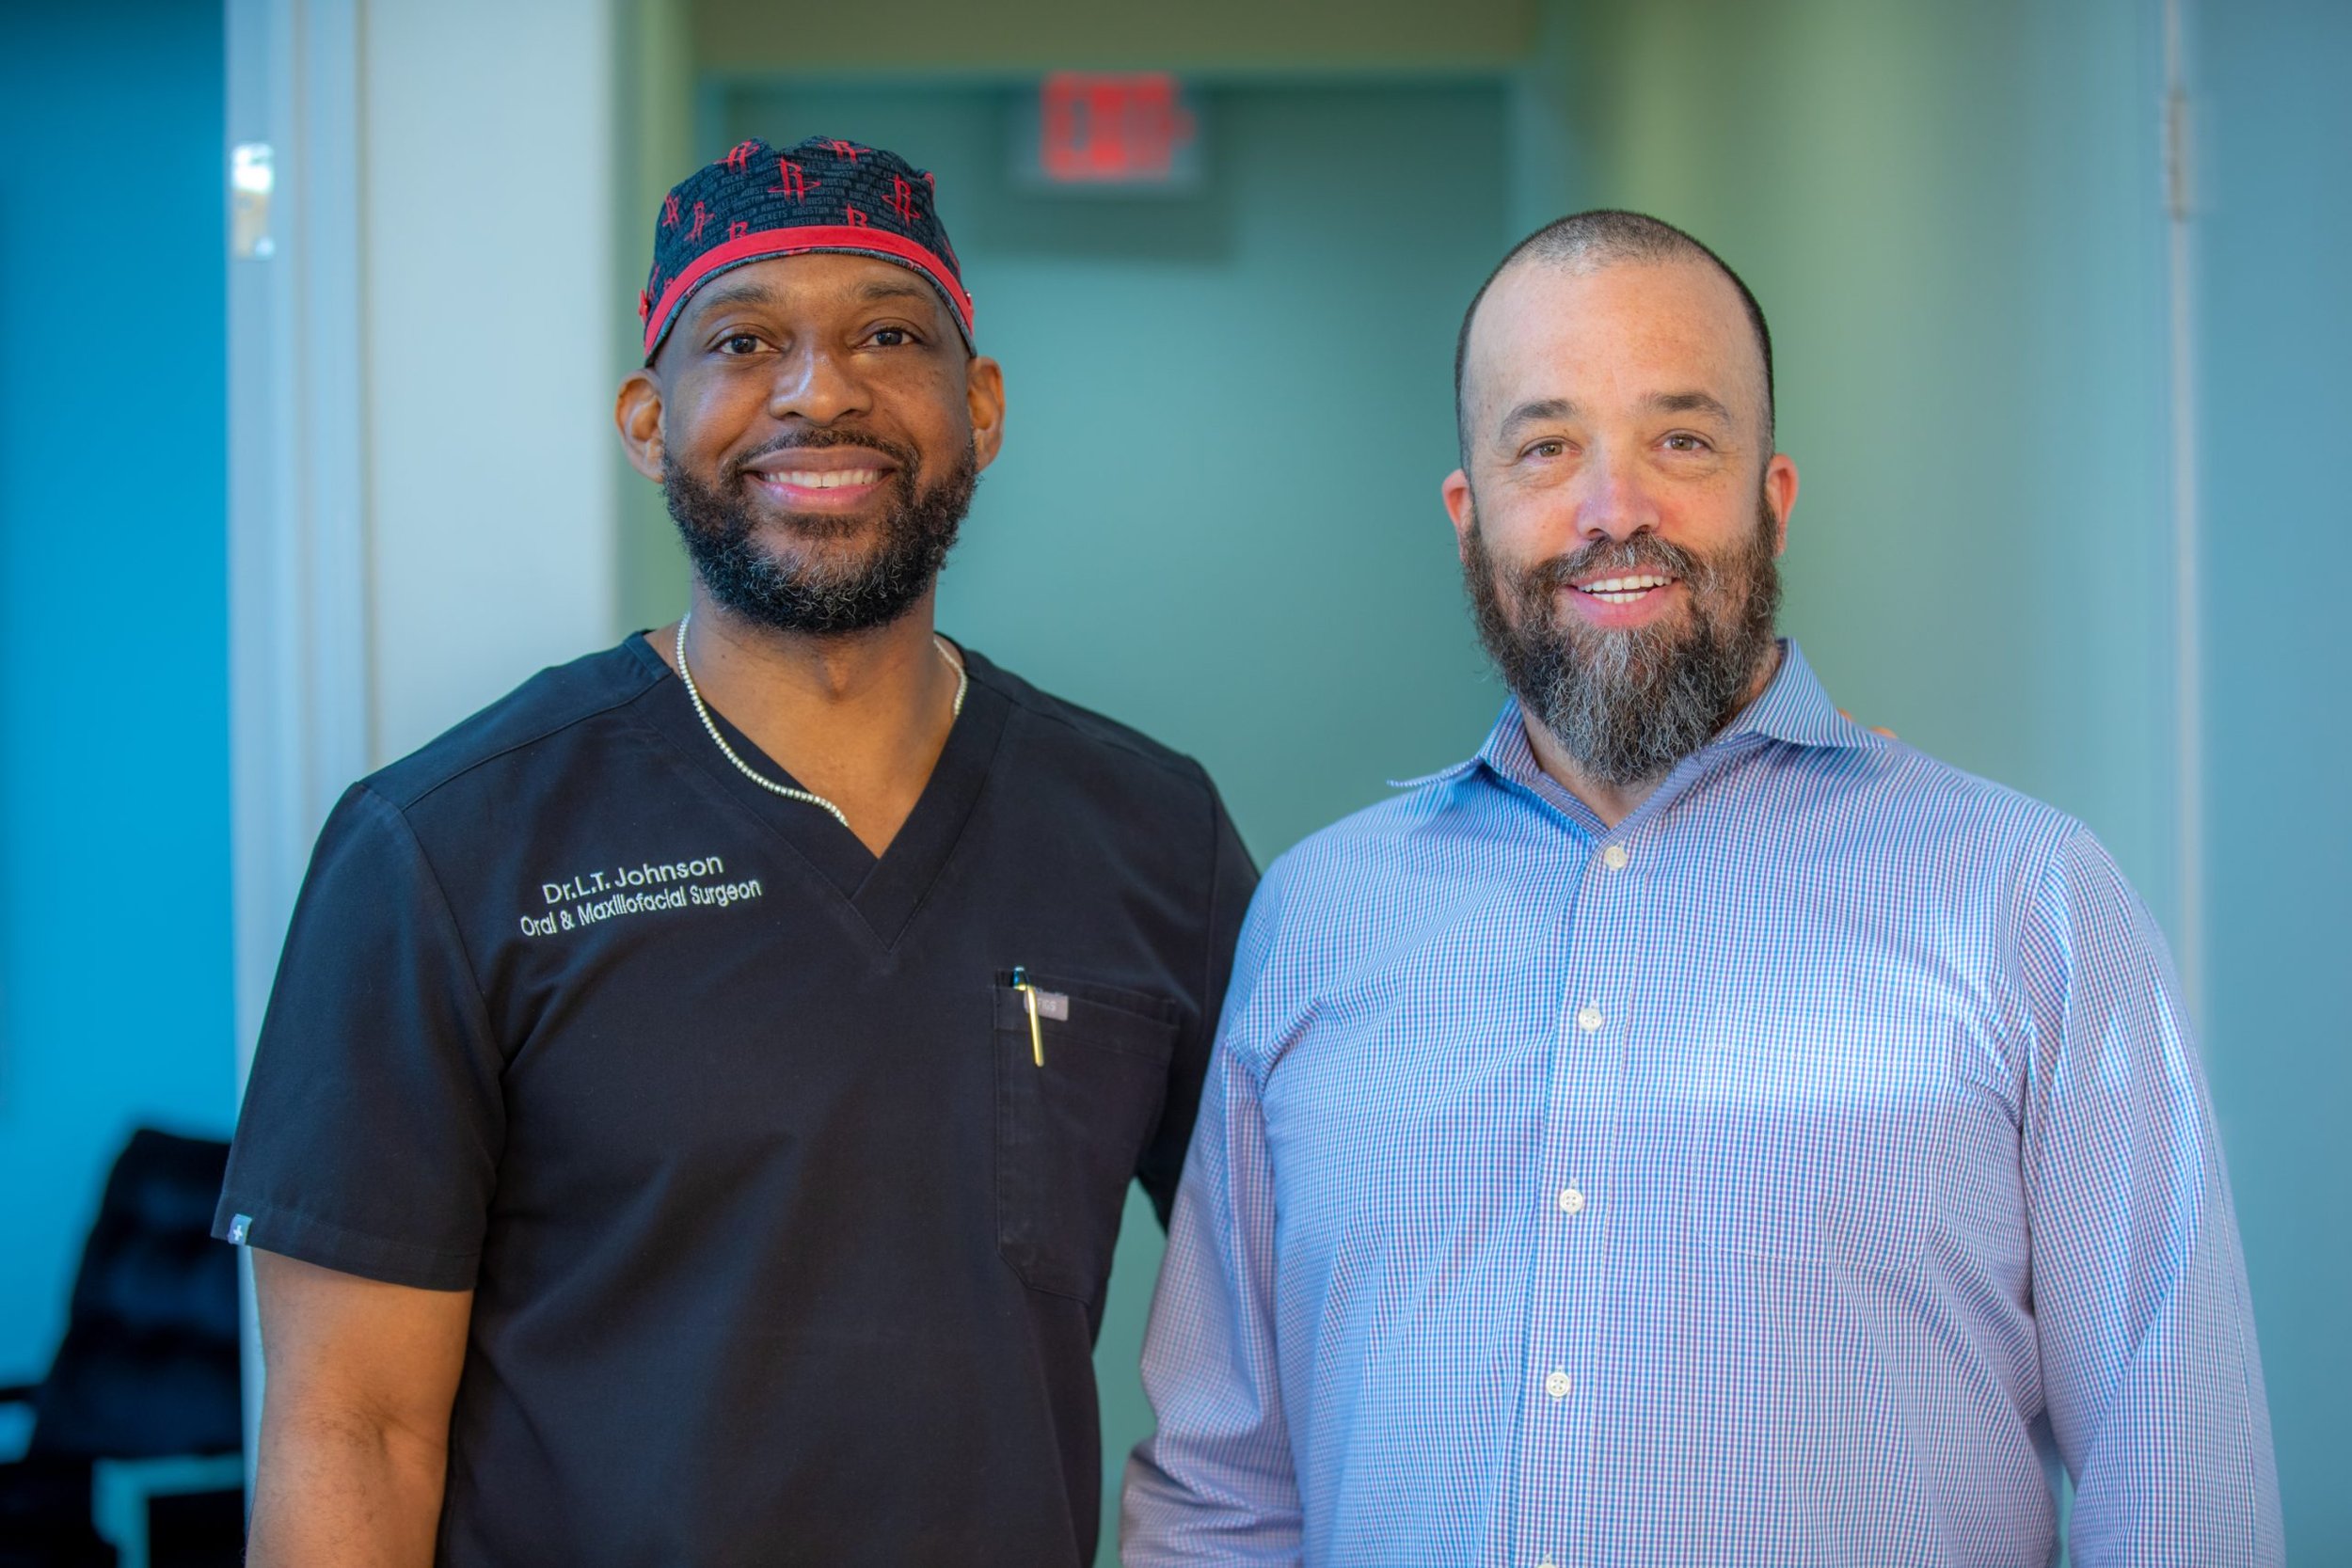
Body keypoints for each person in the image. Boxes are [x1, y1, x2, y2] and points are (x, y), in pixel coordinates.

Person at [1123, 211, 2280, 1567]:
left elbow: (2178, 1484)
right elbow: (1225, 1492)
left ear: (1771, 497)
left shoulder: (2030, 902)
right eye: (1547, 447)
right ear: (1469, 516)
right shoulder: (1317, 921)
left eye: (1682, 439)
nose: (1616, 506)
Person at [215, 135, 1255, 1565]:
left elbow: (1297, 1306)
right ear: (649, 420)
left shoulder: (1154, 836)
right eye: (744, 339)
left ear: (984, 406)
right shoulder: (441, 849)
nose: (821, 391)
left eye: (891, 334)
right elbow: (351, 1431)